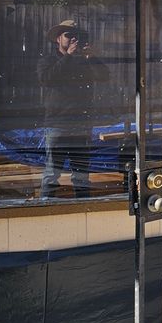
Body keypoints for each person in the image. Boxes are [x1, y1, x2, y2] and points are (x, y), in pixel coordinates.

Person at [38, 19, 108, 199]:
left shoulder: (84, 62)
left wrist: (92, 57)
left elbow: (104, 76)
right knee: (52, 173)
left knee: (81, 176)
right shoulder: (48, 60)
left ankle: (84, 209)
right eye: (68, 35)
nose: (73, 39)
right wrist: (68, 56)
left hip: (81, 125)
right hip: (58, 124)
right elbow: (47, 79)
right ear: (58, 39)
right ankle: (45, 210)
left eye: (76, 36)